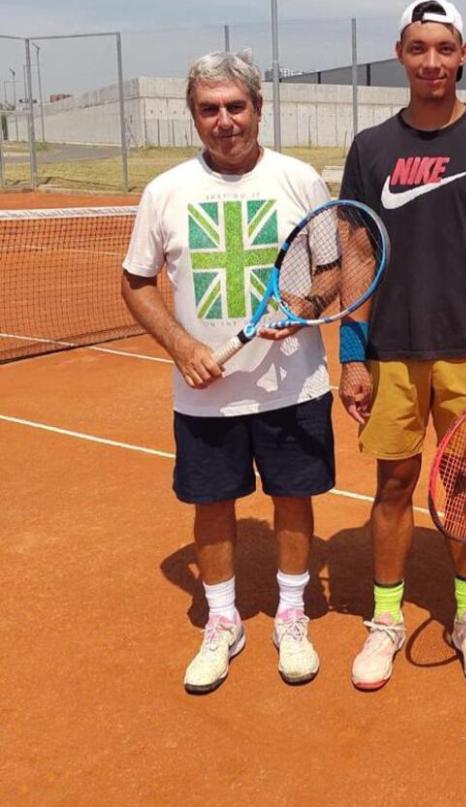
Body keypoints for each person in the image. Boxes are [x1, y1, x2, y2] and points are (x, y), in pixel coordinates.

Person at [122, 50, 334, 693]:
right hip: (204, 394)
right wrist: (182, 346)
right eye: (209, 109)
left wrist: (304, 306)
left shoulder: (299, 179)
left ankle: (291, 614)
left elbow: (330, 268)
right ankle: (223, 622)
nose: (224, 120)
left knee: (291, 499)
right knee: (212, 503)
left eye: (235, 106)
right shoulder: (165, 192)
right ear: (193, 116)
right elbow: (136, 283)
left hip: (294, 383)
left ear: (259, 109)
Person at [337, 0, 466, 690]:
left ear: (464, 54)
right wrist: (352, 350)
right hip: (390, 348)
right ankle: (387, 619)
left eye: (444, 48)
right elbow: (355, 244)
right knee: (392, 483)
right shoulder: (372, 148)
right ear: (400, 54)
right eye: (419, 48)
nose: (432, 61)